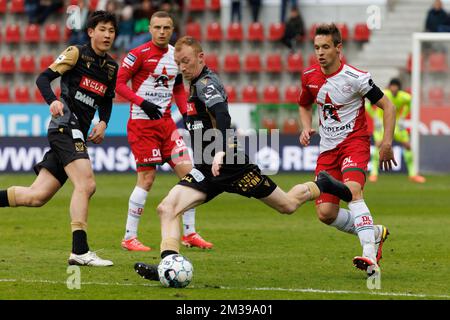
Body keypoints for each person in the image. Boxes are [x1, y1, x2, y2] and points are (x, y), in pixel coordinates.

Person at [132, 36, 353, 282]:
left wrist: (219, 151)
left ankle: (323, 184)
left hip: (231, 165)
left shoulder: (207, 83)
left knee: (287, 205)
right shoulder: (193, 84)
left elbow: (223, 115)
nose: (182, 67)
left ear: (200, 57)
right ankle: (168, 265)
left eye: (186, 61)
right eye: (178, 62)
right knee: (167, 208)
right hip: (206, 169)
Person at [0, 11, 118, 266]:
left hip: (78, 132)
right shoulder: (76, 53)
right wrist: (53, 100)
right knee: (86, 185)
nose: (108, 35)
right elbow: (43, 78)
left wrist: (103, 122)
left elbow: (107, 99)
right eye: (103, 29)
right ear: (90, 32)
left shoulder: (111, 67)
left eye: (111, 30)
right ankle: (79, 251)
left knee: (36, 196)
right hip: (65, 126)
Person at [298, 23, 397, 276]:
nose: (320, 52)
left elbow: (388, 106)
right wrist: (306, 126)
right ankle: (374, 233)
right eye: (317, 47)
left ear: (338, 48)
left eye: (326, 47)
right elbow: (304, 104)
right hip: (327, 151)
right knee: (326, 214)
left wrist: (386, 142)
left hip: (355, 143)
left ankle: (369, 255)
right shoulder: (309, 77)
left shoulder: (356, 78)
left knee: (352, 191)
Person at [116, 11, 213, 252]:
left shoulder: (175, 56)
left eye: (166, 28)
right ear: (149, 28)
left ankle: (189, 233)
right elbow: (118, 84)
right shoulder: (137, 54)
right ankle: (129, 237)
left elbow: (178, 89)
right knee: (147, 179)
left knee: (191, 175)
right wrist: (142, 103)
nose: (161, 32)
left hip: (167, 126)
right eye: (157, 27)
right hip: (141, 125)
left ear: (172, 30)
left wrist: (188, 114)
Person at [366, 79, 426, 183]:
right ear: (389, 87)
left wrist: (403, 117)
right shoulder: (384, 93)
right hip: (382, 123)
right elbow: (368, 105)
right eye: (392, 86)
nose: (394, 88)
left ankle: (412, 174)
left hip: (396, 124)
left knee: (407, 145)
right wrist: (375, 117)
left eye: (396, 86)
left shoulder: (404, 97)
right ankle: (374, 174)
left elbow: (409, 103)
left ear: (399, 88)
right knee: (378, 144)